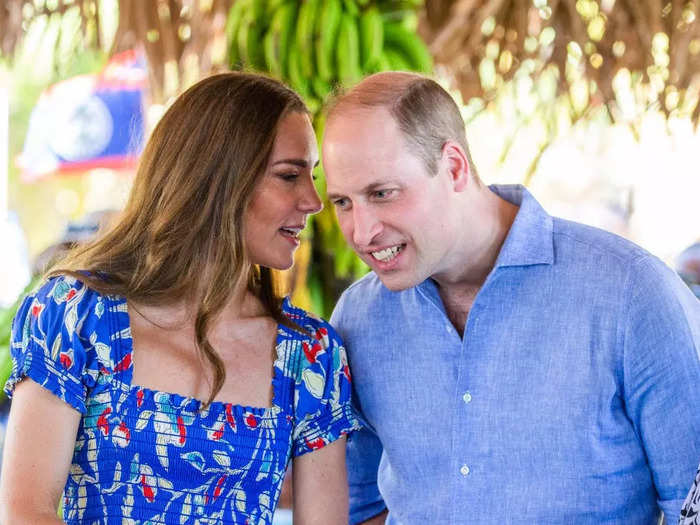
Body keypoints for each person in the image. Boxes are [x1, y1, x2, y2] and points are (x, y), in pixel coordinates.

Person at [321, 71, 700, 524]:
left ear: (455, 167)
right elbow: (359, 504)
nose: (361, 233)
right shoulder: (358, 319)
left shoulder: (633, 295)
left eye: (382, 193)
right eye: (343, 202)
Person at [0, 72, 360, 524]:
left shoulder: (310, 356)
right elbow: (26, 512)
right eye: (289, 175)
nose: (313, 200)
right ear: (217, 179)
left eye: (312, 176)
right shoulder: (76, 315)